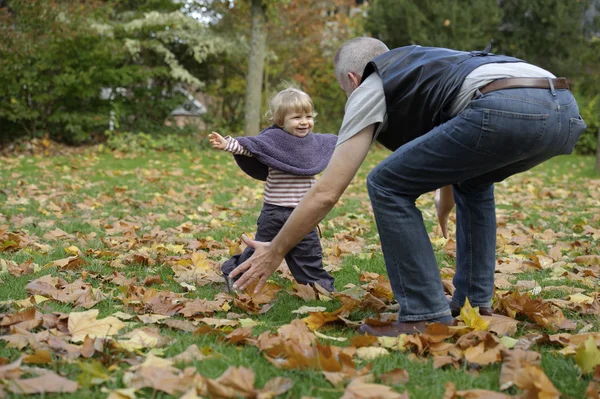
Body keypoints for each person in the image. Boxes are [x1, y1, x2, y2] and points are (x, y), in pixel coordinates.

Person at [227, 37, 587, 336]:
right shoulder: (426, 64)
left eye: (343, 91)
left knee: (385, 184)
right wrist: (446, 197)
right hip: (563, 109)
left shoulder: (371, 84)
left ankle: (424, 315)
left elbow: (325, 191)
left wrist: (275, 250)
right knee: (474, 184)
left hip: (503, 105)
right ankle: (473, 305)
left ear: (352, 78)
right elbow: (451, 136)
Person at [208, 87, 338, 292]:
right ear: (280, 120)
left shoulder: (315, 143)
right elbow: (248, 146)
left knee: (309, 252)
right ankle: (236, 275)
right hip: (275, 212)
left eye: (308, 116)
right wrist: (226, 144)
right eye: (296, 117)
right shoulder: (272, 141)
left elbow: (340, 142)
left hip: (305, 212)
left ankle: (318, 288)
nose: (304, 122)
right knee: (258, 250)